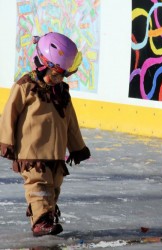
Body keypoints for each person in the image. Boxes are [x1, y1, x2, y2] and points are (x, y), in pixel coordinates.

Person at [0, 32, 91, 237]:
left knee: (54, 187)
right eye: (55, 73)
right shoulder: (25, 86)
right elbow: (9, 114)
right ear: (42, 64)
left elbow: (71, 122)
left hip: (56, 153)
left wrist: (77, 147)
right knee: (38, 186)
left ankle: (47, 216)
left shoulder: (62, 92)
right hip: (32, 151)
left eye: (63, 74)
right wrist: (5, 141)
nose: (58, 78)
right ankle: (40, 221)